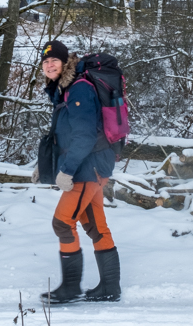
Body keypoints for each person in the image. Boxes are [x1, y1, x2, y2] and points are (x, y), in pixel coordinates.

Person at [32, 40, 120, 303]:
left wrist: (67, 171)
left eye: (54, 60)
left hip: (87, 167)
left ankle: (70, 288)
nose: (49, 65)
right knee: (95, 226)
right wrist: (45, 165)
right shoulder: (65, 89)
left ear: (65, 62)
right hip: (91, 165)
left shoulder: (79, 89)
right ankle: (110, 287)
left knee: (62, 222)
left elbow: (84, 135)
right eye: (45, 61)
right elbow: (66, 135)